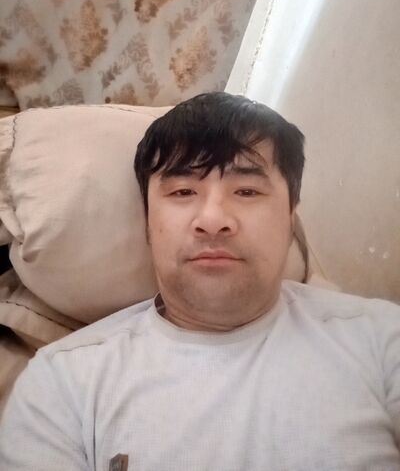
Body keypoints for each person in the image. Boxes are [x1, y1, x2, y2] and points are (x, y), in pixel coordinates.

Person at [0, 92, 399, 470]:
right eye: (183, 191)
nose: (212, 220)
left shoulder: (381, 340)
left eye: (247, 190)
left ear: (290, 217)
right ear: (148, 221)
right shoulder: (63, 384)